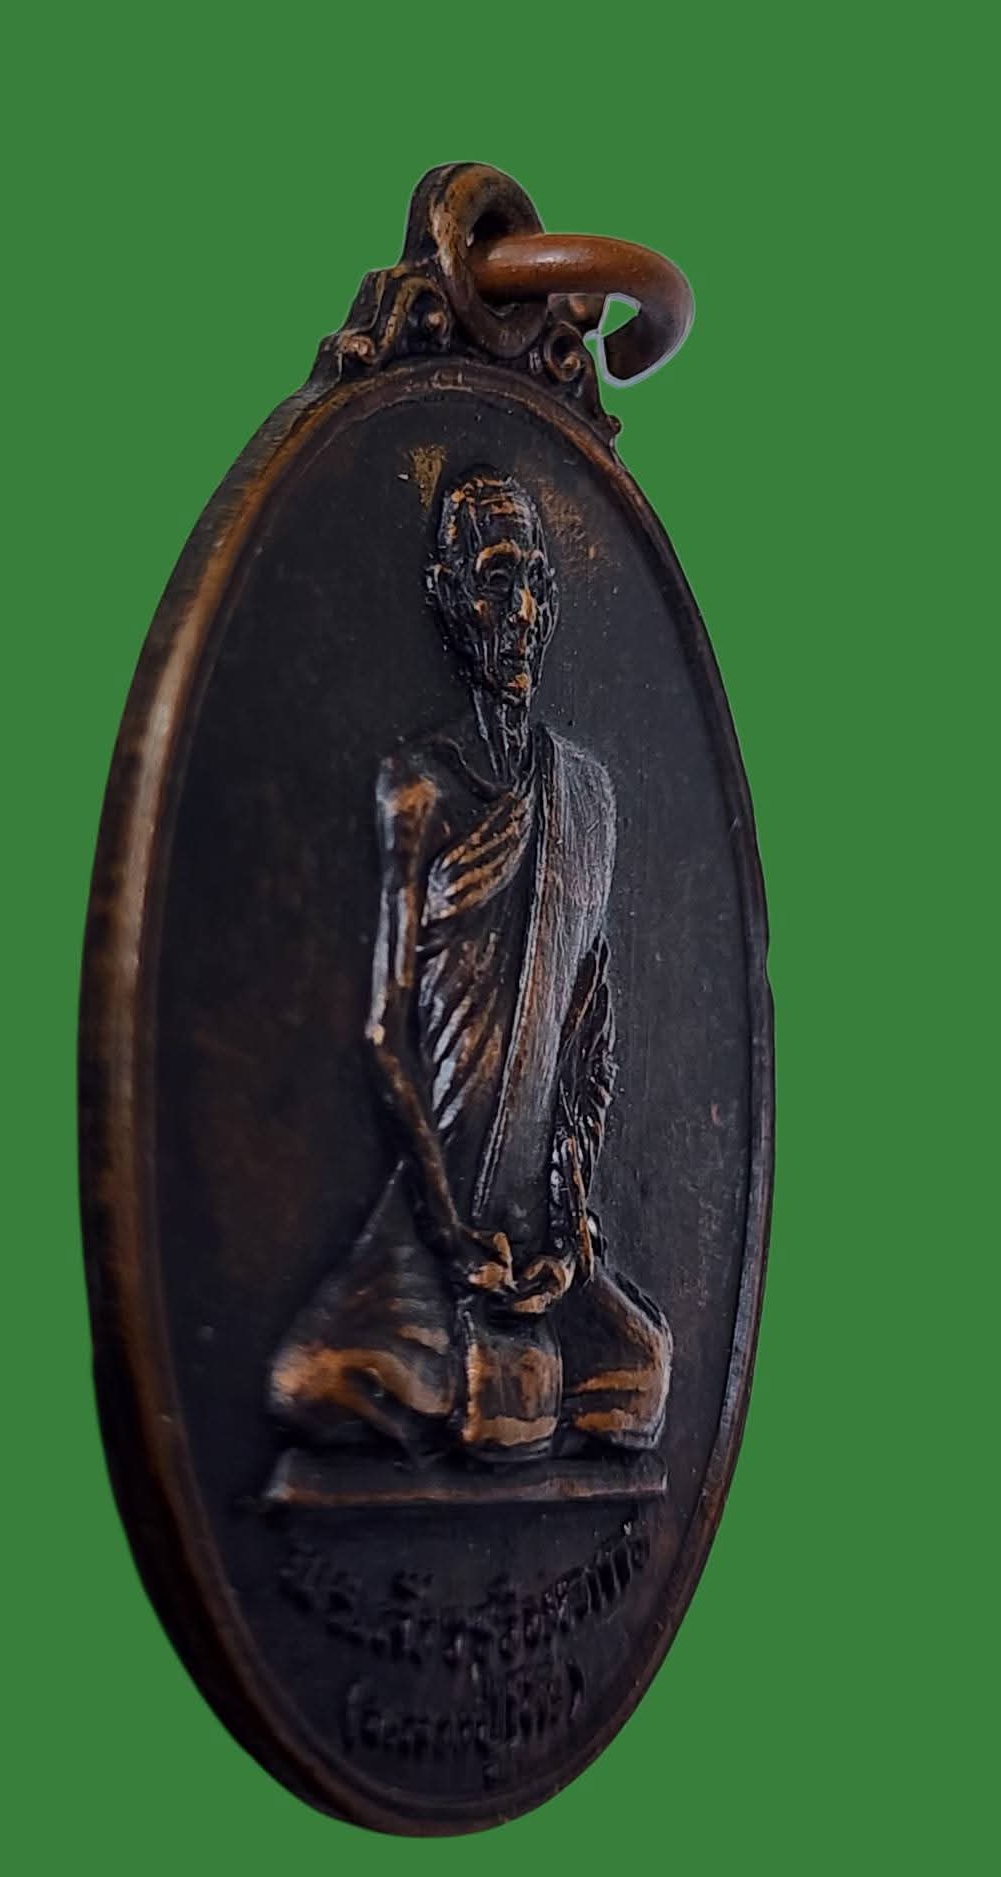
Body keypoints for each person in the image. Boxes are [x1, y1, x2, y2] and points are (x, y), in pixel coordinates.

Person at [268, 468, 670, 1465]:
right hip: (436, 1210)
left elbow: (588, 1035)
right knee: (324, 1380)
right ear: (448, 596)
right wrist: (449, 1232)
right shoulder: (419, 790)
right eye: (495, 581)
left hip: (543, 1224)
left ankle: (512, 1363)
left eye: (536, 582)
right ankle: (477, 1366)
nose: (521, 613)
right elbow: (385, 1033)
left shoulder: (586, 798)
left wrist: (569, 1220)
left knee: (643, 1375)